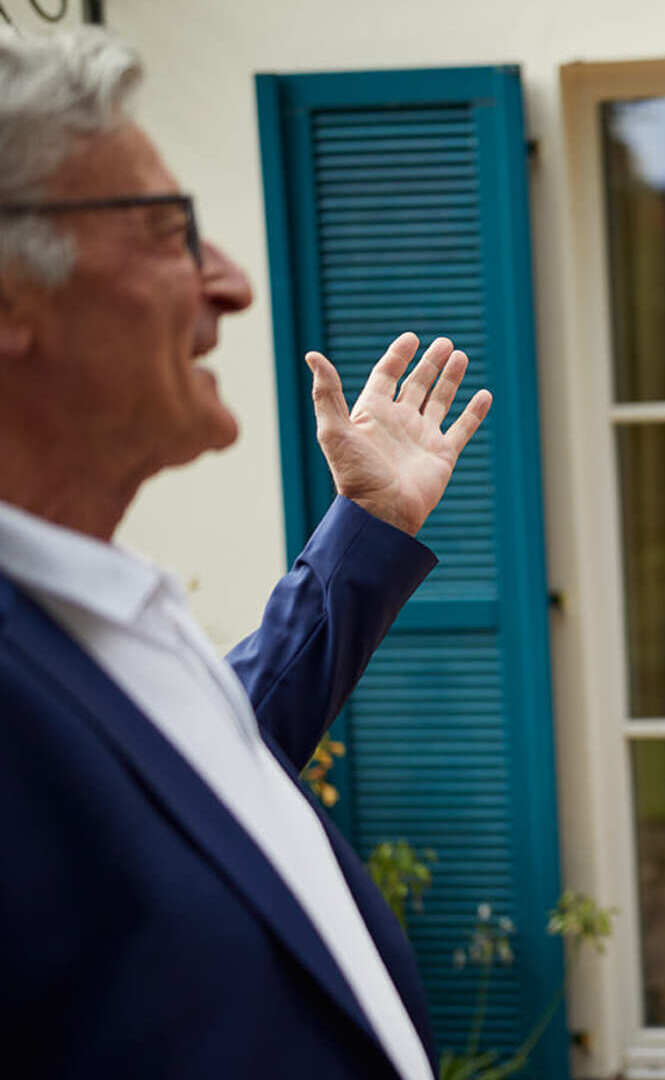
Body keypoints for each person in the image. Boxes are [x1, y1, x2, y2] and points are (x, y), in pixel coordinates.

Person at [0, 29, 490, 1079]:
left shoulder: (89, 605)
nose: (229, 283)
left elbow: (185, 790)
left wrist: (368, 531)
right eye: (167, 234)